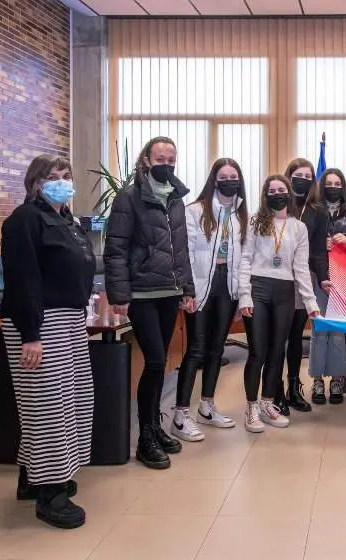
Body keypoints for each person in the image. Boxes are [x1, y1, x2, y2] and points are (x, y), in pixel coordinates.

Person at [0, 154, 95, 529]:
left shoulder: (65, 220)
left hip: (68, 321)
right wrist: (31, 335)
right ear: (36, 183)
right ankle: (49, 495)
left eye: (65, 175)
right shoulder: (24, 220)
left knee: (69, 401)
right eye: (52, 176)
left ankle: (32, 476)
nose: (61, 181)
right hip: (40, 323)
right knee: (48, 408)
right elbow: (24, 280)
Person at [104, 136, 196, 470]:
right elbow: (115, 247)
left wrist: (187, 287)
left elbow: (180, 248)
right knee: (156, 361)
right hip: (142, 293)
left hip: (169, 293)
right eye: (160, 158)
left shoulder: (176, 198)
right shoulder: (129, 197)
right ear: (145, 161)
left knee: (162, 363)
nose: (167, 164)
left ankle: (155, 427)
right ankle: (145, 437)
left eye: (172, 159)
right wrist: (119, 294)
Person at [171, 158, 248, 442]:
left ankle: (207, 405)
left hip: (227, 286)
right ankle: (180, 415)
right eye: (224, 176)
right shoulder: (195, 211)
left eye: (234, 176)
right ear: (214, 180)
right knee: (196, 349)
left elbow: (243, 259)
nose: (230, 180)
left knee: (217, 349)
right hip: (202, 284)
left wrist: (241, 296)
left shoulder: (241, 214)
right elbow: (186, 253)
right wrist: (187, 290)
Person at [239, 175, 320, 432]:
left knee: (277, 351)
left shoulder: (298, 228)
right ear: (265, 195)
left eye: (281, 190)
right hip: (259, 288)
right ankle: (251, 407)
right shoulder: (255, 221)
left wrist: (310, 301)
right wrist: (244, 295)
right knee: (258, 351)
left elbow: (301, 268)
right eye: (272, 190)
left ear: (289, 194)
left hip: (285, 292)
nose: (277, 194)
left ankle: (267, 403)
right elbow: (245, 259)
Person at [310, 168, 346, 405]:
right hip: (318, 277)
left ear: (343, 186)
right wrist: (318, 245)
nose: (333, 187)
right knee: (319, 329)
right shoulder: (313, 213)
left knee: (338, 332)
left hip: (344, 281)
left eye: (337, 183)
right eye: (329, 183)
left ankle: (337, 378)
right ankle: (317, 380)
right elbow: (302, 246)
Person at [281, 158, 330, 415]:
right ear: (288, 176)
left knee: (295, 336)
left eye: (307, 176)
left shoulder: (318, 210)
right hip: (275, 279)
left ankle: (294, 387)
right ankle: (274, 390)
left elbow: (320, 250)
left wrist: (322, 277)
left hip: (304, 278)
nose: (302, 179)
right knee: (277, 338)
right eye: (297, 175)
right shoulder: (277, 203)